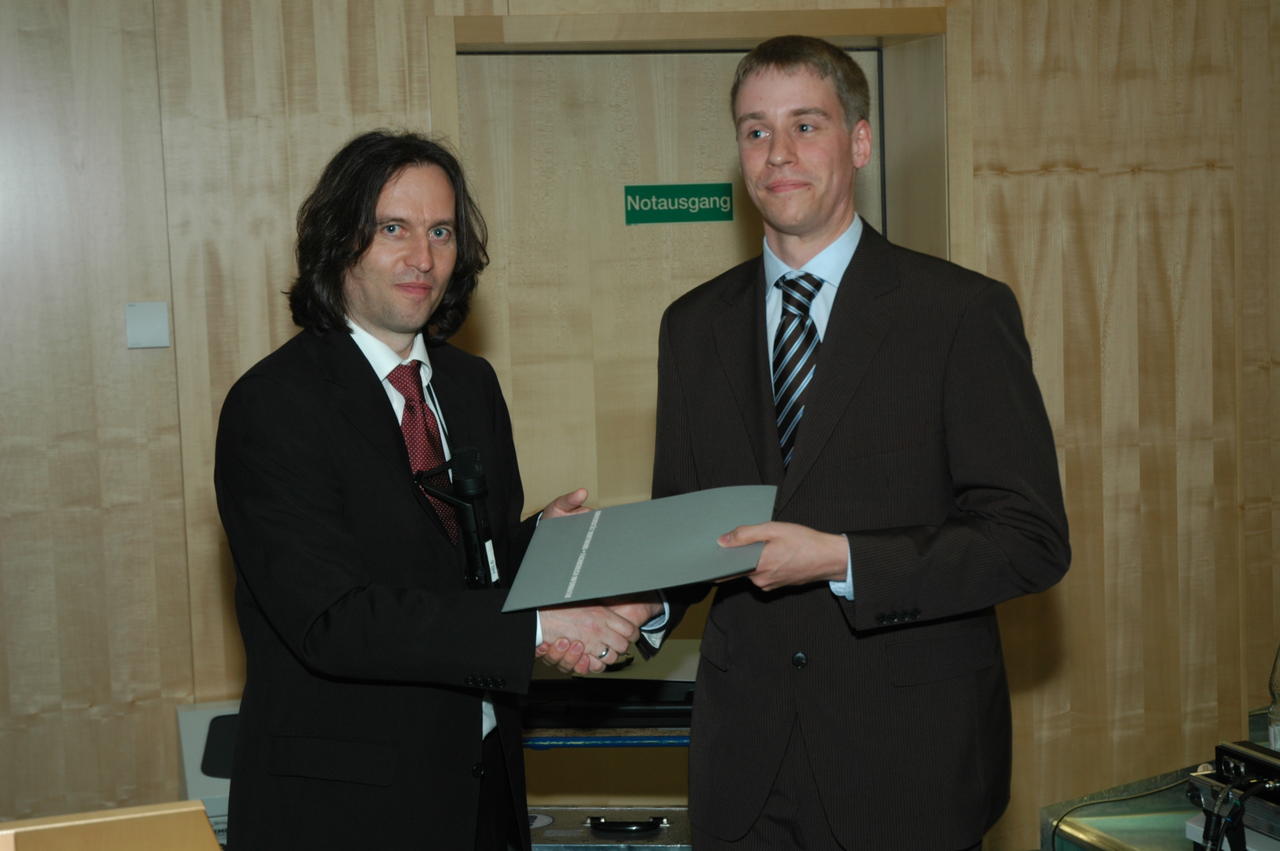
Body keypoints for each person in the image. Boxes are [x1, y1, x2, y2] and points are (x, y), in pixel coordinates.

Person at [549, 35, 1071, 849]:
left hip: (909, 765)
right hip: (746, 769)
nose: (778, 153)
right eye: (755, 130)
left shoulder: (958, 313)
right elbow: (691, 531)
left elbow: (1029, 540)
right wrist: (636, 605)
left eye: (805, 125)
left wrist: (841, 558)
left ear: (858, 141)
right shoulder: (692, 326)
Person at [214, 130, 640, 851]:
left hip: (482, 789)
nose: (423, 258)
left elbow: (458, 572)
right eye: (394, 229)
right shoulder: (274, 404)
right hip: (344, 815)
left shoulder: (471, 386)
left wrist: (541, 547)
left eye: (441, 231)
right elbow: (335, 621)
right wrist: (540, 629)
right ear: (338, 241)